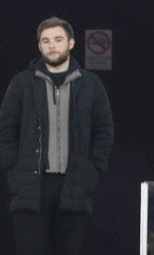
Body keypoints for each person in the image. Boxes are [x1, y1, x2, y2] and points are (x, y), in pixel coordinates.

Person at [0, 17, 114, 255]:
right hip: (31, 185)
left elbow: (104, 130)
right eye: (46, 41)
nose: (52, 45)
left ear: (71, 43)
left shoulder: (91, 84)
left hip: (74, 184)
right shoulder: (22, 83)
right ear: (40, 46)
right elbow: (5, 128)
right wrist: (13, 165)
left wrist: (93, 168)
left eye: (58, 39)